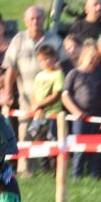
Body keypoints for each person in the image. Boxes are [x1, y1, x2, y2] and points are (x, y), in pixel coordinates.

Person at [2, 6, 63, 173]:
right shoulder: (18, 40)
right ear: (25, 21)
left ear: (43, 20)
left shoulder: (54, 39)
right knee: (25, 135)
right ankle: (25, 172)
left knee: (49, 136)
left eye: (38, 18)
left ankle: (53, 172)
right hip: (26, 99)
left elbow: (61, 67)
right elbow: (10, 70)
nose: (35, 21)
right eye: (32, 19)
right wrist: (7, 93)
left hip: (51, 101)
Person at [61, 40, 101, 178]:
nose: (95, 61)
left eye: (97, 58)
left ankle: (95, 176)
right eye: (92, 58)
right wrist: (76, 112)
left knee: (97, 150)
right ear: (85, 56)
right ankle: (76, 175)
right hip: (81, 119)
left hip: (98, 118)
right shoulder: (74, 74)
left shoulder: (100, 73)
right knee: (79, 149)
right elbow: (65, 96)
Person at [23, 44, 65, 174]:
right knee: (38, 138)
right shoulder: (39, 76)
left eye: (47, 59)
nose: (44, 62)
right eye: (41, 60)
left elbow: (56, 94)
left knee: (52, 140)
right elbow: (34, 93)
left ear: (54, 58)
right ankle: (44, 168)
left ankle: (55, 169)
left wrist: (40, 105)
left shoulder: (58, 74)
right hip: (39, 115)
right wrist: (35, 106)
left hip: (53, 114)